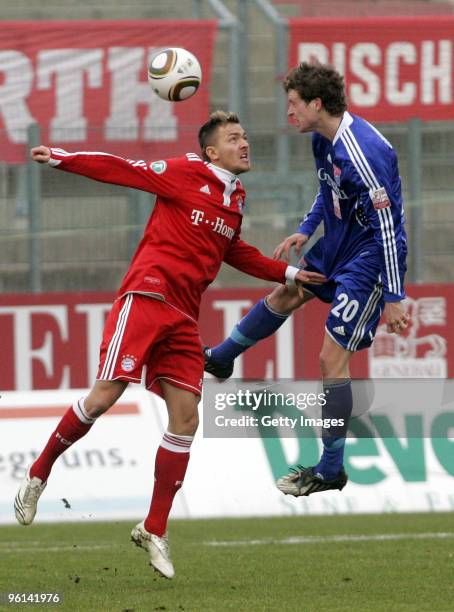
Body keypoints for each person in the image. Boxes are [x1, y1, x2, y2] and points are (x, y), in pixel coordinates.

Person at [14, 111, 325, 579]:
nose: (245, 144)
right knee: (105, 395)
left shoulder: (235, 197)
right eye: (234, 138)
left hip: (183, 314)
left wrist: (289, 273)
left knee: (186, 417)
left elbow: (233, 250)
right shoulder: (185, 172)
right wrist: (60, 158)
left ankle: (154, 527)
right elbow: (124, 169)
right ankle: (39, 473)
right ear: (211, 151)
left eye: (245, 136)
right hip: (148, 294)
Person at [204, 63, 410, 497]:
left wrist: (394, 295)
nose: (289, 113)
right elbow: (327, 189)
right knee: (288, 290)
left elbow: (389, 227)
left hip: (368, 257)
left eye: (294, 104)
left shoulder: (364, 152)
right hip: (339, 242)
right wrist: (306, 227)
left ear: (317, 104)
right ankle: (222, 357)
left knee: (330, 360)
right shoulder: (324, 139)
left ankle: (332, 467)